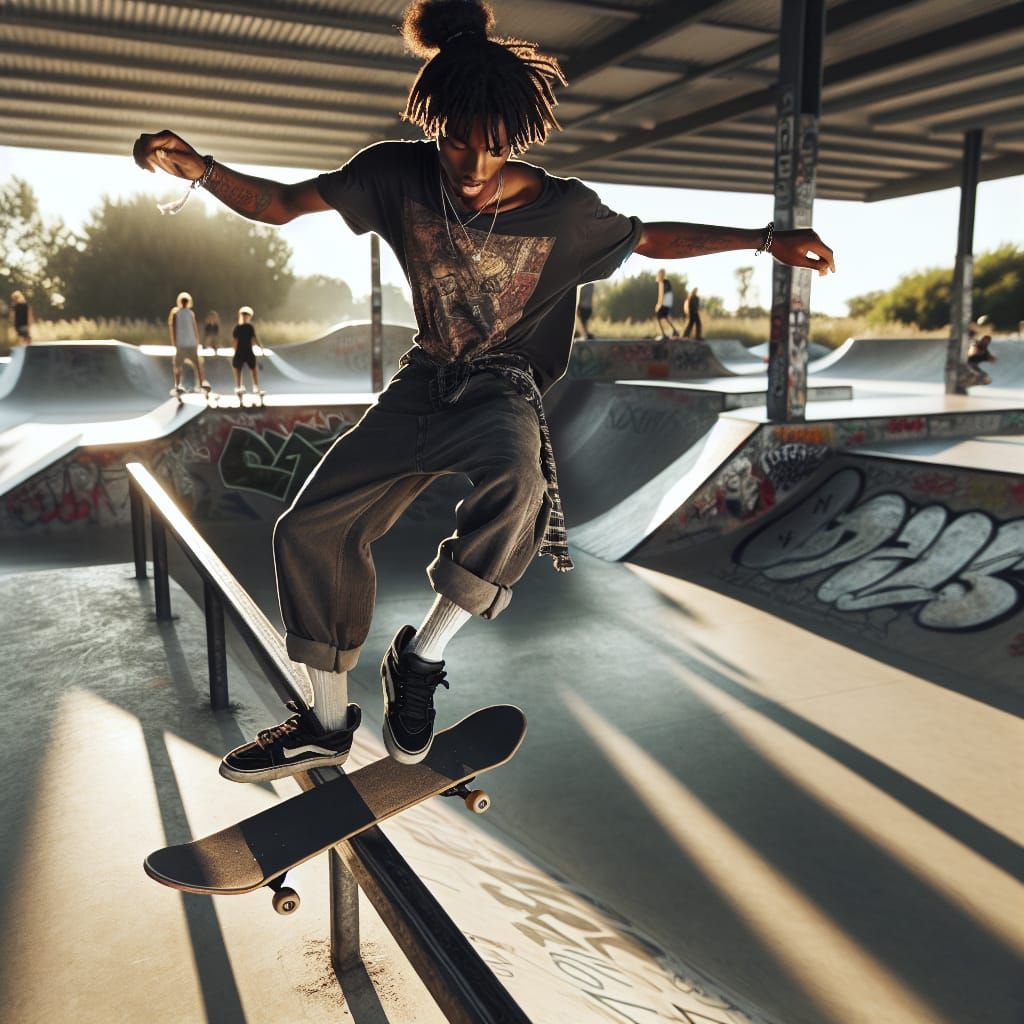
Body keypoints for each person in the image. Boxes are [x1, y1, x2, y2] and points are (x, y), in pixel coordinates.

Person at [133, 0, 835, 781]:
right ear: (433, 126)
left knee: (521, 482)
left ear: (518, 137)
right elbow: (281, 205)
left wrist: (768, 240)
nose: (470, 165)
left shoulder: (564, 210)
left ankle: (421, 658)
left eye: (492, 148)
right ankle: (325, 723)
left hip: (500, 385)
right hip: (422, 380)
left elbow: (651, 238)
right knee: (308, 528)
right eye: (455, 143)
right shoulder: (393, 174)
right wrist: (202, 169)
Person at [167, 291, 208, 394]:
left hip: (191, 343)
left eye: (186, 302)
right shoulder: (176, 313)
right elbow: (173, 328)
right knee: (177, 365)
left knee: (198, 364)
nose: (184, 303)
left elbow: (194, 328)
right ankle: (177, 384)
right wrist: (174, 342)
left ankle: (202, 383)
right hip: (181, 344)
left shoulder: (190, 313)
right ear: (180, 302)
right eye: (183, 302)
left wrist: (197, 341)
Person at [231, 305, 264, 399]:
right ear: (241, 316)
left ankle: (256, 386)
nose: (245, 318)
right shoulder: (237, 327)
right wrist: (234, 351)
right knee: (238, 369)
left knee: (253, 368)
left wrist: (260, 346)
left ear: (249, 317)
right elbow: (234, 340)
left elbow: (254, 338)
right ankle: (238, 386)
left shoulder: (250, 327)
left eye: (247, 316)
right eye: (244, 316)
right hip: (239, 351)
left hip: (248, 350)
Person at [653, 269, 680, 340]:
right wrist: (659, 304)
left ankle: (664, 334)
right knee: (664, 317)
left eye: (662, 273)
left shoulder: (663, 282)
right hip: (667, 303)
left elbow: (662, 295)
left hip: (666, 302)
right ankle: (674, 331)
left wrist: (659, 305)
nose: (661, 275)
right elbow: (662, 294)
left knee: (659, 316)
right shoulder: (664, 282)